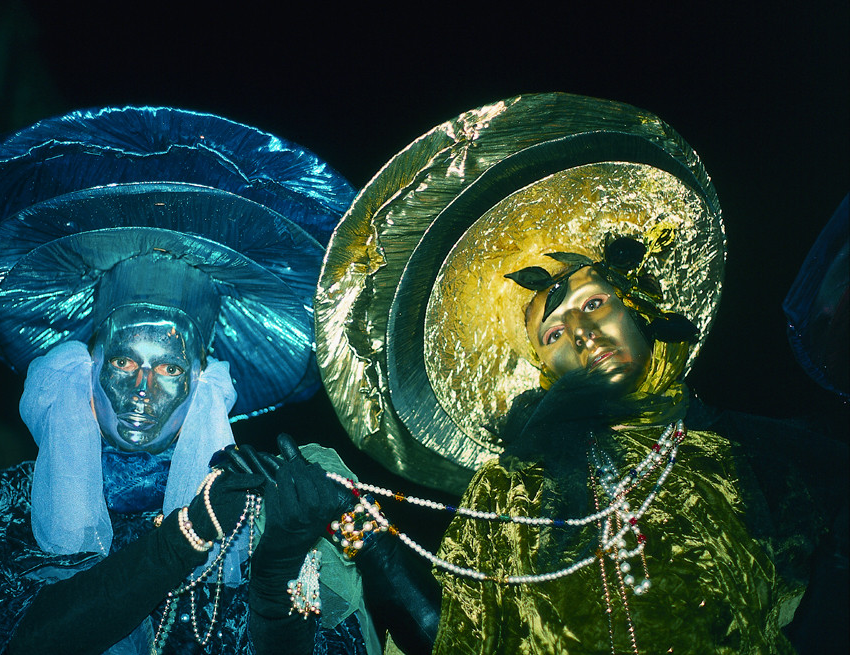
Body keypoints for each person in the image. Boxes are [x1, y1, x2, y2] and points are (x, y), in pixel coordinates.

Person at [313, 93, 840, 653]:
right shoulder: (511, 496)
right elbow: (459, 639)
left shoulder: (759, 457)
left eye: (592, 305)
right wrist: (364, 533)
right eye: (555, 333)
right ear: (541, 364)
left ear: (637, 306)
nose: (584, 335)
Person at [0, 106, 377, 654]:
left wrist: (279, 557)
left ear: (203, 383)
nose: (143, 389)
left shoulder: (257, 512)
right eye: (123, 362)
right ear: (85, 365)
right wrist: (188, 534)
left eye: (168, 368)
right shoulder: (7, 507)